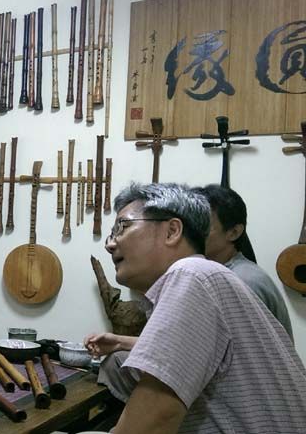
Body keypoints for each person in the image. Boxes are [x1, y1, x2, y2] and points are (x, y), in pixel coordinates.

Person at [85, 183, 306, 434]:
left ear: (172, 231)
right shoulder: (206, 275)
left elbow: (152, 424)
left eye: (122, 227)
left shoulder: (191, 275)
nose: (110, 244)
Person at [193, 184, 293, 338]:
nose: (192, 232)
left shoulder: (243, 281)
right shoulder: (212, 273)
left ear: (234, 232)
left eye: (203, 225)